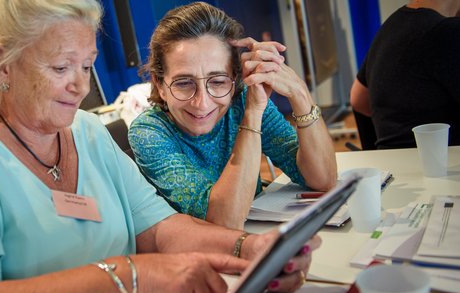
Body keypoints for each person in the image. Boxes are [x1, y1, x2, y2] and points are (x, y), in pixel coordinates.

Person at [0, 1, 321, 293]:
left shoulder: (85, 131)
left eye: (86, 66)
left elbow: (160, 231)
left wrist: (251, 249)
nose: (81, 86)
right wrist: (135, 276)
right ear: (1, 63)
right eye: (61, 67)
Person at [128, 2, 337, 229]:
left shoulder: (242, 101)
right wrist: (252, 115)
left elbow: (322, 179)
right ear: (159, 84)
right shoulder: (149, 132)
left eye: (217, 81)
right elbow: (224, 220)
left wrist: (300, 94)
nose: (202, 103)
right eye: (184, 83)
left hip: (254, 240)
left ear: (235, 78)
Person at [350, 0, 460, 149]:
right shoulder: (448, 32)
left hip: (391, 163)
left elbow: (358, 99)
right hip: (437, 165)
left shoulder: (392, 25)